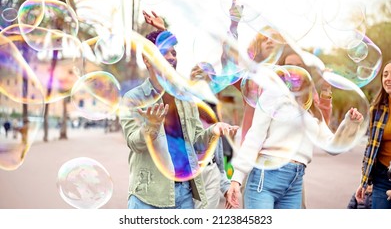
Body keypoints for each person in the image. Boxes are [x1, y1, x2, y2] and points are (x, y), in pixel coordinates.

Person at [120, 22, 239, 209]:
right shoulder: (134, 98)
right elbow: (134, 142)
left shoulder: (185, 96)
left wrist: (213, 131)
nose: (170, 57)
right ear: (147, 59)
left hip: (185, 194)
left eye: (174, 53)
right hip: (149, 196)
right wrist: (151, 127)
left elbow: (197, 144)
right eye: (164, 52)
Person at [226, 50, 364, 209]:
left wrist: (350, 123)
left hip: (295, 181)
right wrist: (237, 179)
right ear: (281, 71)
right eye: (289, 66)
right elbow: (254, 137)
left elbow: (331, 145)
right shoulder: (271, 96)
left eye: (299, 66)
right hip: (265, 177)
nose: (294, 71)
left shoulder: (311, 108)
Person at [190, 63, 232, 209]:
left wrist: (225, 185)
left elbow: (217, 152)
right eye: (197, 72)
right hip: (189, 175)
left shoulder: (213, 108)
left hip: (211, 171)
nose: (202, 77)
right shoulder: (185, 103)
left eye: (207, 74)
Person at [355, 60, 391, 209]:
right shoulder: (377, 109)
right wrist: (364, 182)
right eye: (385, 75)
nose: (387, 79)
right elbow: (371, 147)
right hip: (382, 177)